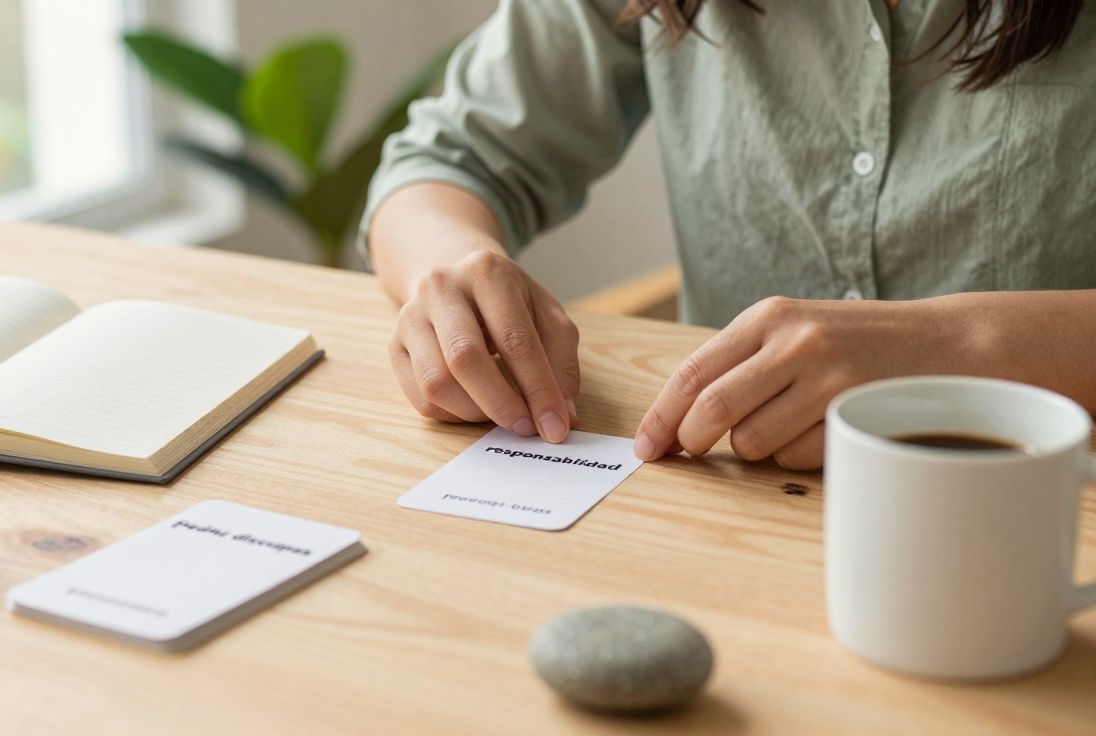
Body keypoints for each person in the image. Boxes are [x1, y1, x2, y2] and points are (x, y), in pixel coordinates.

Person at [360, 0, 1096, 470]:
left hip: (1048, 503)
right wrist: (455, 272)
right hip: (727, 495)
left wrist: (952, 348)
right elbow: (447, 161)